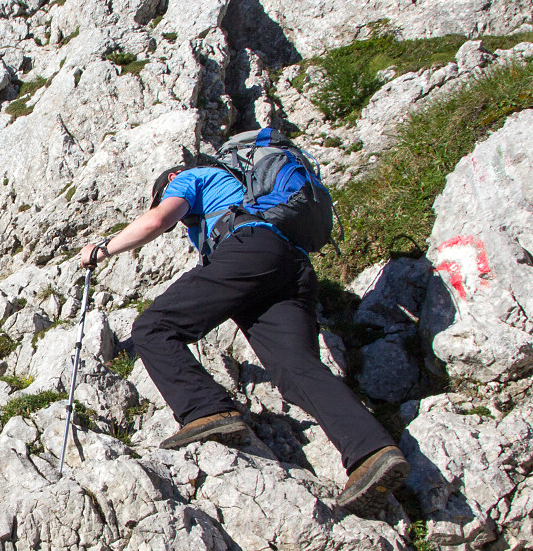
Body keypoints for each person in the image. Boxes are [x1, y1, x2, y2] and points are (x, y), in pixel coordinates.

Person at [78, 159, 410, 515]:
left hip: (249, 248)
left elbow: (158, 220)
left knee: (153, 327)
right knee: (295, 369)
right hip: (289, 265)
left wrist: (101, 249)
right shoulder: (238, 196)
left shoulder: (190, 178)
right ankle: (372, 451)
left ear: (171, 179)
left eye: (163, 195)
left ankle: (208, 411)